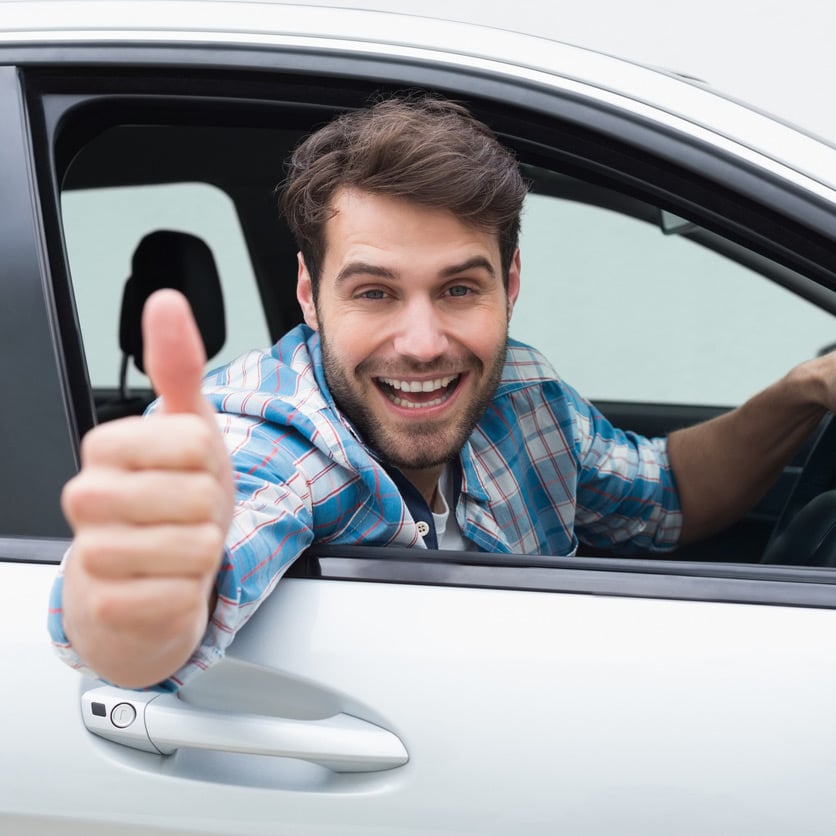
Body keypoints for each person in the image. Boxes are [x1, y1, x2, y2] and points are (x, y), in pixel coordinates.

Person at [50, 95, 832, 691]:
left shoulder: (521, 393)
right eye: (375, 293)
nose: (423, 343)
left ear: (509, 283)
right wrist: (136, 595)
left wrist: (806, 389)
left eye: (458, 289)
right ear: (310, 295)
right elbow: (128, 645)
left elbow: (666, 494)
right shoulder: (269, 446)